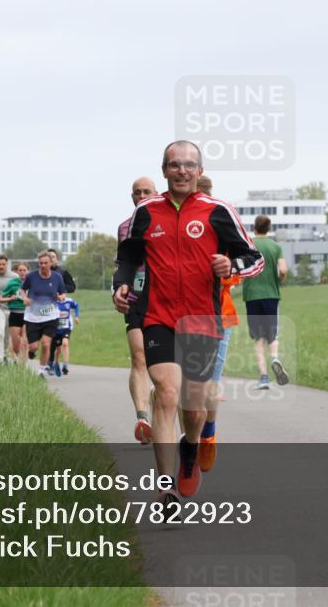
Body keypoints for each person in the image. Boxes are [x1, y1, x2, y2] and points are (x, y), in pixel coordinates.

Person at [113, 141, 264, 511]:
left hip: (202, 320)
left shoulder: (218, 211)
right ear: (164, 170)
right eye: (175, 165)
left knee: (194, 408)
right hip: (158, 316)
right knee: (165, 392)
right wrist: (120, 285)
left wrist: (232, 267)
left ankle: (190, 449)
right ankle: (165, 490)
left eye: (189, 165)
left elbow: (253, 258)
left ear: (200, 171)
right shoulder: (146, 213)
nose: (182, 171)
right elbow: (128, 258)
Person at [195, 174, 240, 472]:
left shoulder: (222, 229)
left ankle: (208, 433)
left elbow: (235, 276)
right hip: (177, 315)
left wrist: (223, 270)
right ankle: (187, 441)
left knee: (209, 383)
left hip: (217, 315)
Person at [117, 176, 159, 444]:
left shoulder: (167, 223)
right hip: (136, 297)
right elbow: (122, 264)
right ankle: (143, 417)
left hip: (166, 298)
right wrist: (118, 288)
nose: (141, 196)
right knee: (139, 358)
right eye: (136, 193)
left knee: (166, 367)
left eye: (147, 192)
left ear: (156, 194)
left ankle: (162, 410)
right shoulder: (124, 228)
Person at [242, 215, 290, 389]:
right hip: (271, 294)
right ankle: (275, 358)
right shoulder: (275, 246)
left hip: (252, 295)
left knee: (258, 337)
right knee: (272, 334)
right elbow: (283, 269)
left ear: (254, 228)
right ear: (268, 229)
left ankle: (263, 378)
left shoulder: (248, 245)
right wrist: (279, 280)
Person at [22, 252, 67, 378]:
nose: (43, 265)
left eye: (45, 263)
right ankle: (32, 352)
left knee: (46, 343)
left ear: (51, 263)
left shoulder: (57, 277)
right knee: (34, 347)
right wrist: (25, 298)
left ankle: (41, 370)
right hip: (33, 317)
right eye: (40, 263)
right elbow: (22, 289)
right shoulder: (32, 276)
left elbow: (63, 293)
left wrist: (61, 297)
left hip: (51, 316)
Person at [0, 262, 29, 363]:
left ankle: (23, 366)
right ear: (16, 272)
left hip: (28, 314)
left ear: (27, 271)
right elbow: (0, 298)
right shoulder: (12, 283)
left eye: (24, 270)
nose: (22, 272)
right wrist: (11, 298)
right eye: (20, 270)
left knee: (25, 341)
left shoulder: (32, 283)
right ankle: (16, 359)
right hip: (15, 314)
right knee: (16, 343)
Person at [50, 295, 80, 376]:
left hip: (66, 328)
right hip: (55, 330)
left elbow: (77, 306)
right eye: (58, 293)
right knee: (57, 349)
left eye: (62, 293)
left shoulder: (69, 301)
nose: (60, 295)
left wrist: (77, 316)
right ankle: (55, 362)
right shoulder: (53, 301)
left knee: (65, 344)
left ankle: (65, 366)